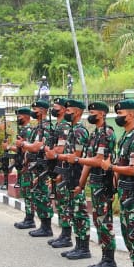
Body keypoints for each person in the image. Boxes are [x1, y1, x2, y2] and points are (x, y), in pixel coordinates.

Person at [102, 100, 134, 267]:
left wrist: (111, 167)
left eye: (120, 113)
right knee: (128, 231)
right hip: (124, 191)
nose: (118, 116)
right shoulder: (125, 137)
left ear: (130, 115)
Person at [74, 101, 117, 267]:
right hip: (95, 182)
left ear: (102, 114)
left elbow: (98, 161)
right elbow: (89, 162)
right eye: (90, 111)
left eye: (93, 112)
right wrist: (81, 184)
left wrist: (77, 159)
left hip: (104, 183)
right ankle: (104, 257)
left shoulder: (107, 133)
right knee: (98, 220)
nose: (90, 114)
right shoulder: (95, 134)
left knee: (105, 222)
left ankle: (109, 259)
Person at [56, 99, 93, 258]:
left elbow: (77, 156)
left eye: (69, 110)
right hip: (70, 173)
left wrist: (58, 155)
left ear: (77, 112)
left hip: (77, 174)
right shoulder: (73, 129)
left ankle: (84, 248)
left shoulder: (79, 131)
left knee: (79, 213)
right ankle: (78, 245)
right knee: (73, 211)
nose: (67, 112)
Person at [19, 101, 55, 235]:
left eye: (34, 109)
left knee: (43, 196)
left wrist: (23, 144)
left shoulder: (45, 127)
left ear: (41, 110)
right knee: (37, 195)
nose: (32, 111)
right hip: (35, 166)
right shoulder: (37, 127)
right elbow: (32, 146)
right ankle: (43, 226)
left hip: (43, 167)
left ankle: (47, 227)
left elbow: (36, 146)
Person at [44, 99, 74, 249]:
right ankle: (63, 234)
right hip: (56, 166)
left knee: (64, 203)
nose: (53, 110)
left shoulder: (63, 126)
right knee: (60, 203)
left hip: (62, 167)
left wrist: (49, 152)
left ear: (62, 109)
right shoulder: (57, 125)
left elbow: (60, 150)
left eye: (55, 108)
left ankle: (67, 236)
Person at [11, 107, 37, 228]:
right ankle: (28, 217)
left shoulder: (27, 131)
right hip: (23, 165)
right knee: (26, 192)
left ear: (27, 117)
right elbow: (20, 148)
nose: (18, 118)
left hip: (27, 166)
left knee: (28, 192)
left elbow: (27, 149)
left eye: (20, 116)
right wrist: (8, 147)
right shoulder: (23, 130)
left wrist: (25, 165)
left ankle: (30, 219)